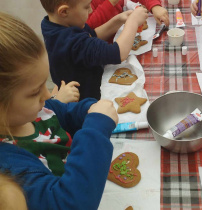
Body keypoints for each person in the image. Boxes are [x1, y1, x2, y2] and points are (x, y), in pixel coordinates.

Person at [0, 12, 118, 210]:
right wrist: (96, 128)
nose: (47, 95)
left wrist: (90, 109)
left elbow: (63, 111)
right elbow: (69, 202)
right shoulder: (11, 171)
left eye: (44, 84)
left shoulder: (31, 113)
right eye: (34, 92)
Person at [40, 0, 148, 100]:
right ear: (64, 11)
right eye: (86, 7)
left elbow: (92, 36)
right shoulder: (70, 42)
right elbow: (118, 53)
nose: (91, 10)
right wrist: (133, 22)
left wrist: (118, 20)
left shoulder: (54, 24)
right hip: (87, 103)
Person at [87, 0, 170, 32]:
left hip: (121, 32)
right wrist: (111, 2)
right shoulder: (80, 4)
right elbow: (88, 28)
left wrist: (154, 6)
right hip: (102, 49)